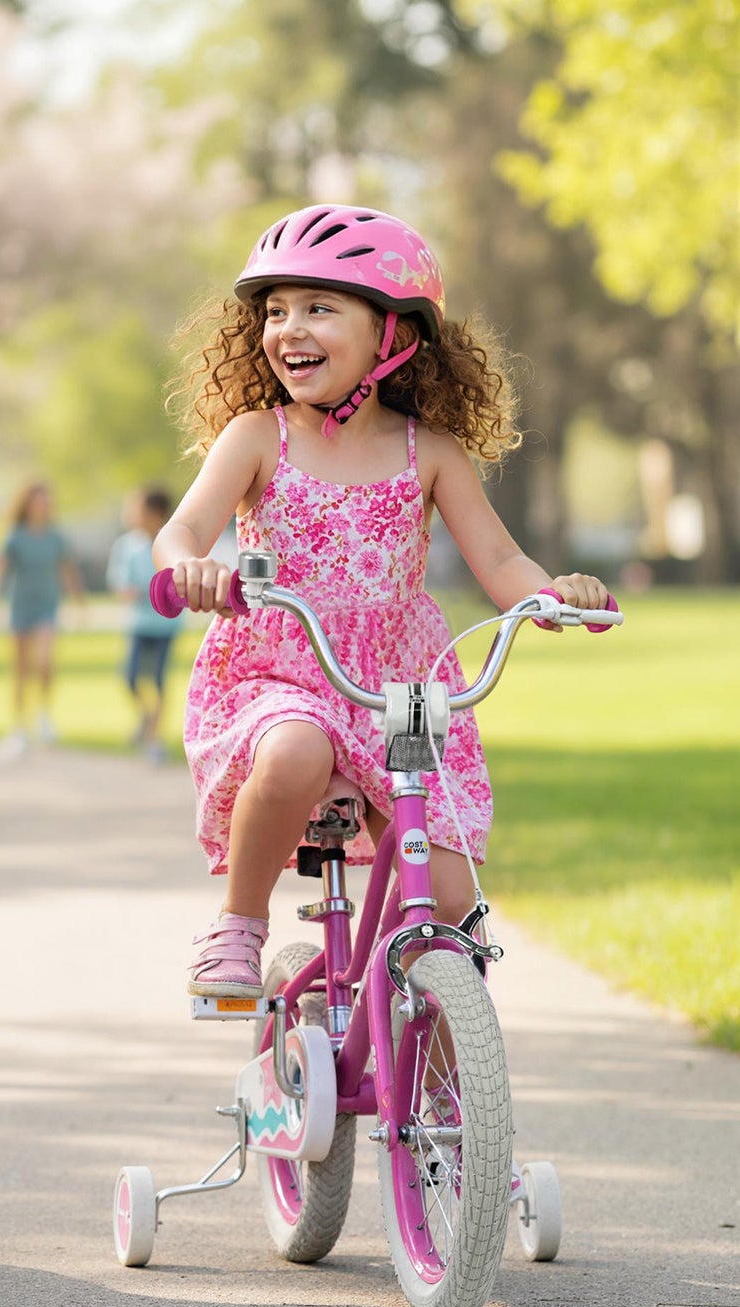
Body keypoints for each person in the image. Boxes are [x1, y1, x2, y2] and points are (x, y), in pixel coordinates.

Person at [153, 203, 610, 999]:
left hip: (399, 687)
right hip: (281, 672)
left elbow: (498, 558)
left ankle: (438, 1075)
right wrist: (187, 564)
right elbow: (183, 527)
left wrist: (550, 595)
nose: (288, 328)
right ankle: (239, 921)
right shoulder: (260, 437)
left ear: (391, 336)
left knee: (451, 905)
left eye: (319, 308)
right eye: (275, 311)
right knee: (294, 751)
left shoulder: (427, 452)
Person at [0, 480, 85, 750]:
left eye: (47, 500)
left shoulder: (56, 537)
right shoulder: (15, 537)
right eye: (39, 500)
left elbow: (68, 571)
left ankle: (44, 715)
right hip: (20, 609)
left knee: (45, 662)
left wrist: (79, 602)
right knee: (21, 670)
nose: (44, 505)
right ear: (29, 505)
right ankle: (18, 726)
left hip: (47, 608)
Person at [107, 488, 184, 761]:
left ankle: (154, 738)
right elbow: (120, 587)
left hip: (166, 626)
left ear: (154, 513)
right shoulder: (126, 546)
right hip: (139, 624)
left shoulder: (174, 544)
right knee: (130, 677)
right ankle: (146, 716)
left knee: (159, 681)